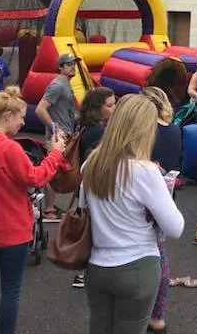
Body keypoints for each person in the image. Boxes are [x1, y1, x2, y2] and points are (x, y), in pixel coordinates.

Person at [0, 92, 67, 334]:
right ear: (7, 115)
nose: (23, 122)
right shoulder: (9, 148)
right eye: (21, 117)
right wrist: (55, 154)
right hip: (11, 227)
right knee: (10, 290)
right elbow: (36, 177)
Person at [82, 94, 185, 334]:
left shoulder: (91, 164)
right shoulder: (145, 171)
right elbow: (175, 228)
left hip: (97, 265)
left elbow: (83, 207)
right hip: (137, 265)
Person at [139, 86, 182, 333]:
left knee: (145, 253)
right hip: (166, 195)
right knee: (159, 250)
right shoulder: (174, 130)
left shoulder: (146, 132)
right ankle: (157, 315)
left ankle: (146, 312)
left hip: (143, 197)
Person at [71, 87, 117, 290]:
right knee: (96, 228)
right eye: (110, 105)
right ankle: (87, 271)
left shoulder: (86, 127)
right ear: (98, 109)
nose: (114, 108)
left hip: (86, 184)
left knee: (92, 227)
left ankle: (87, 270)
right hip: (95, 184)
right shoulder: (99, 132)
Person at [35, 52, 79, 222]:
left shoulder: (66, 84)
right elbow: (40, 109)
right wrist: (56, 129)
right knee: (52, 171)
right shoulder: (57, 85)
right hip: (57, 138)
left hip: (66, 134)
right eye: (69, 65)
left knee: (60, 171)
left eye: (74, 64)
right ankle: (48, 210)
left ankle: (51, 207)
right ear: (60, 67)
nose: (73, 67)